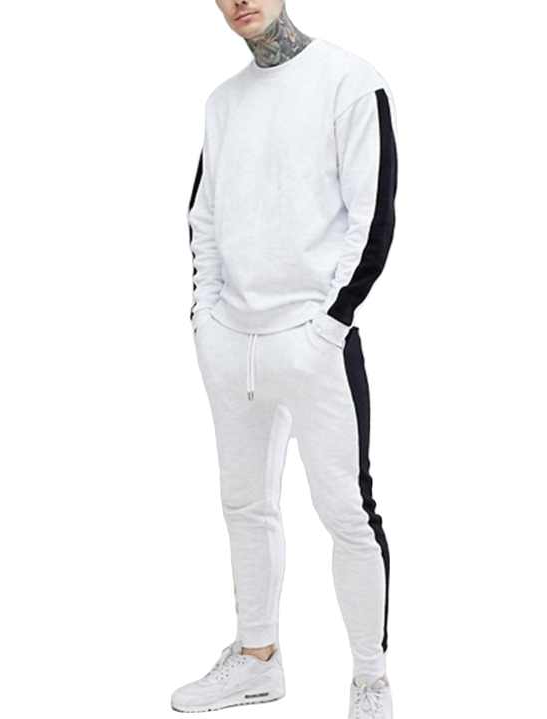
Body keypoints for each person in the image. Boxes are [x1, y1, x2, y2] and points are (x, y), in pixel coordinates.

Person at [172, 2, 398, 716]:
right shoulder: (223, 103)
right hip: (231, 342)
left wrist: (329, 324)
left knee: (347, 512)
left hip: (313, 341)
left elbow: (373, 214)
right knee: (244, 505)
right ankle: (257, 659)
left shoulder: (349, 82)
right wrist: (205, 316)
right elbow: (203, 217)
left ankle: (370, 680)